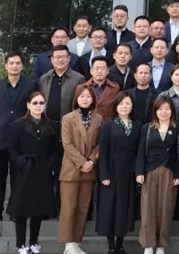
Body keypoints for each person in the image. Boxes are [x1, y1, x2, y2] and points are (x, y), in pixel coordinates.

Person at [0, 51, 35, 225]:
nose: (14, 66)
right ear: (6, 66)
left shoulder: (30, 85)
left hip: (21, 140)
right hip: (0, 139)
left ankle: (15, 210)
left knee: (18, 178)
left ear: (22, 66)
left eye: (17, 63)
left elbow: (34, 112)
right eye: (11, 63)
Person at [7, 90, 57, 254]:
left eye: (41, 103)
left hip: (42, 171)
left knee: (38, 208)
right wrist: (21, 162)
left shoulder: (51, 125)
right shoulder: (19, 124)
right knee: (21, 209)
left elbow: (55, 150)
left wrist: (49, 164)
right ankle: (21, 244)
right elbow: (12, 147)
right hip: (24, 170)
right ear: (28, 105)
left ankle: (34, 243)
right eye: (35, 103)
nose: (38, 106)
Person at [58, 84, 103, 254]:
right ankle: (68, 243)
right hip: (71, 168)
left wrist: (91, 161)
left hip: (89, 169)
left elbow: (100, 143)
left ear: (93, 99)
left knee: (83, 207)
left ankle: (76, 241)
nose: (85, 99)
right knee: (69, 207)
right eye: (82, 96)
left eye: (88, 96)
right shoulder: (68, 118)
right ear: (76, 98)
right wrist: (82, 162)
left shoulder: (98, 118)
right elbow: (67, 144)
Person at [137, 96, 179, 254]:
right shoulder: (147, 128)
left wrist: (178, 174)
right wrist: (139, 172)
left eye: (167, 108)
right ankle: (148, 244)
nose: (164, 112)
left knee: (166, 209)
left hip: (169, 171)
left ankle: (161, 244)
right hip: (150, 171)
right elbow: (141, 152)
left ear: (172, 111)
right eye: (160, 109)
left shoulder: (178, 128)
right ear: (155, 111)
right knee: (148, 208)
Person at [97, 92, 140, 254]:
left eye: (128, 103)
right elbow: (103, 151)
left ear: (132, 106)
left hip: (128, 172)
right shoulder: (108, 126)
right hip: (111, 170)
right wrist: (104, 175)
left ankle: (120, 244)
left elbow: (139, 151)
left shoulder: (138, 126)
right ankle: (111, 245)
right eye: (121, 104)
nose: (124, 107)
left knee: (124, 207)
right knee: (110, 207)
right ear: (116, 106)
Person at [38, 45, 86, 121]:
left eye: (63, 57)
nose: (60, 60)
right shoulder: (44, 78)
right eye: (57, 57)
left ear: (69, 58)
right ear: (52, 59)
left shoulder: (79, 79)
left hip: (69, 123)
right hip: (46, 123)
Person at [87, 56, 122, 122]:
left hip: (108, 124)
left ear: (107, 71)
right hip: (88, 124)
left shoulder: (115, 88)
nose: (100, 71)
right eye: (97, 68)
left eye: (103, 68)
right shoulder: (82, 88)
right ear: (91, 71)